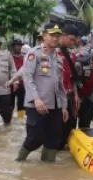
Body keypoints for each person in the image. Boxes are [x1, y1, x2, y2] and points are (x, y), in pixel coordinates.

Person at [15, 24, 68, 162]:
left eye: (58, 35)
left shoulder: (59, 57)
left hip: (55, 105)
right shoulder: (34, 53)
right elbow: (27, 77)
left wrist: (63, 105)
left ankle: (47, 170)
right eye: (52, 35)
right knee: (34, 138)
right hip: (37, 104)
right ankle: (19, 161)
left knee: (54, 140)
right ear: (44, 36)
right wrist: (36, 99)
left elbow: (60, 84)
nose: (56, 38)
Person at [58, 25, 79, 150]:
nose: (73, 42)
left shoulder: (71, 55)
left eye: (74, 40)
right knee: (58, 126)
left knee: (71, 124)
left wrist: (76, 94)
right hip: (58, 95)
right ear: (63, 36)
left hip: (70, 94)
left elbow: (73, 78)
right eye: (71, 39)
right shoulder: (53, 53)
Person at [10, 39, 26, 118]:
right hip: (11, 85)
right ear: (13, 46)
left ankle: (20, 121)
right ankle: (9, 121)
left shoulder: (25, 58)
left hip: (22, 85)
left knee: (22, 106)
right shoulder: (9, 57)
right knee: (10, 106)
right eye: (17, 45)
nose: (19, 47)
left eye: (20, 45)